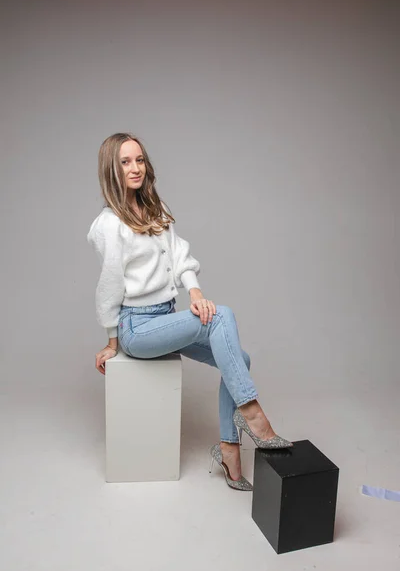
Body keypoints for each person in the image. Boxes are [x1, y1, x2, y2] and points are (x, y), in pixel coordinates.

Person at [87, 132, 293, 492]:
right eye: (125, 162)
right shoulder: (109, 224)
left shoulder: (155, 207)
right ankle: (253, 414)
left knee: (238, 359)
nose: (135, 168)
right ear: (111, 170)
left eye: (139, 160)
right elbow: (109, 285)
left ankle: (229, 449)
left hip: (166, 317)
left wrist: (194, 291)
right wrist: (111, 339)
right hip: (138, 328)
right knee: (222, 316)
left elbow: (179, 256)